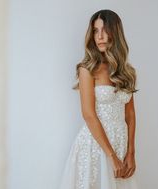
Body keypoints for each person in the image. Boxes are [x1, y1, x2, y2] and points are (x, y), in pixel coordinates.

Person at [59, 9, 139, 189]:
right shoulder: (87, 69)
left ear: (115, 32)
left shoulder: (127, 72)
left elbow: (130, 115)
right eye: (95, 31)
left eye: (104, 30)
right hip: (95, 146)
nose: (100, 36)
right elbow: (88, 114)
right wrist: (111, 156)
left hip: (120, 145)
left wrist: (131, 153)